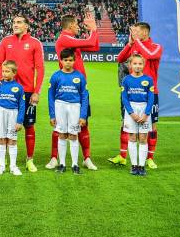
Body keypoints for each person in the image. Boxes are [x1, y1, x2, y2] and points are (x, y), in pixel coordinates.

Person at [0, 15, 44, 172]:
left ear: (26, 26)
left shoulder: (34, 43)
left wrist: (36, 91)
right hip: (7, 90)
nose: (15, 24)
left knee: (28, 125)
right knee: (3, 126)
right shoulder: (5, 41)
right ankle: (2, 160)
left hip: (27, 90)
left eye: (19, 22)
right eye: (14, 22)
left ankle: (29, 159)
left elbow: (40, 68)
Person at [49, 13, 99, 171]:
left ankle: (86, 158)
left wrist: (93, 32)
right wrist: (93, 28)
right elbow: (91, 41)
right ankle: (55, 158)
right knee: (60, 127)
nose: (79, 26)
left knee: (83, 124)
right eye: (77, 24)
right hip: (66, 87)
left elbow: (95, 46)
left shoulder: (71, 41)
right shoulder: (64, 38)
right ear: (70, 26)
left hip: (79, 88)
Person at [109, 22, 163, 168]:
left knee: (152, 126)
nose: (133, 33)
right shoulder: (134, 45)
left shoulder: (156, 47)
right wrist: (129, 43)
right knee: (126, 124)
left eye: (136, 31)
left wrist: (137, 42)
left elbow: (149, 55)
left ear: (145, 32)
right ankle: (122, 155)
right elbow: (120, 59)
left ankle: (149, 158)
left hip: (150, 94)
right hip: (131, 93)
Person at [48, 49, 89, 175]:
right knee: (61, 134)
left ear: (74, 61)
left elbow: (84, 96)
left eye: (70, 60)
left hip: (75, 107)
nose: (68, 63)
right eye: (65, 60)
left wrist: (83, 116)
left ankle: (75, 165)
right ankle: (62, 164)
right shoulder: (55, 76)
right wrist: (52, 115)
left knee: (73, 135)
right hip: (60, 106)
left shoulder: (79, 77)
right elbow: (50, 96)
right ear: (61, 61)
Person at [0, 60, 25, 176]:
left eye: (7, 71)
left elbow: (22, 105)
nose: (4, 74)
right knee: (1, 139)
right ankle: (1, 166)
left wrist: (19, 121)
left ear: (14, 73)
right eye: (3, 71)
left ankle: (13, 166)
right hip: (0, 113)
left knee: (12, 140)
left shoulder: (19, 87)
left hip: (13, 114)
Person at [121, 54, 155, 176]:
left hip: (144, 109)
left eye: (140, 64)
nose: (137, 66)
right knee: (132, 137)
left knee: (143, 138)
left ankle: (141, 166)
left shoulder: (148, 79)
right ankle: (134, 165)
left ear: (143, 65)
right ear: (130, 65)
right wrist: (131, 113)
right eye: (135, 63)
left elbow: (151, 97)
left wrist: (146, 114)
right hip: (131, 110)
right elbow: (124, 97)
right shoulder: (126, 80)